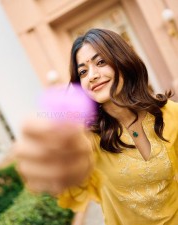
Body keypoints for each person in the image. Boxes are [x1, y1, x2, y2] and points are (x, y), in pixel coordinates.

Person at [14, 28, 178, 225]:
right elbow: (67, 177)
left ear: (122, 61)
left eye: (100, 62)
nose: (92, 76)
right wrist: (51, 159)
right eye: (83, 71)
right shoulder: (87, 136)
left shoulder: (170, 113)